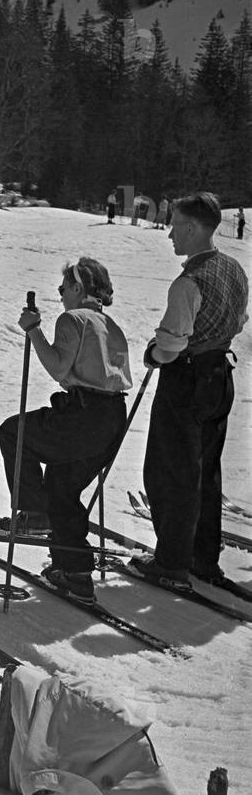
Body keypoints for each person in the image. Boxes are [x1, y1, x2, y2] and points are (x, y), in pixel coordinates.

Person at [0, 259, 132, 604]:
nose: (60, 296)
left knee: (14, 432)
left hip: (82, 414)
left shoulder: (73, 318)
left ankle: (33, 511)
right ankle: (76, 572)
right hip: (112, 416)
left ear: (77, 288)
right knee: (62, 486)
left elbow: (58, 367)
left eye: (62, 289)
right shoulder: (110, 323)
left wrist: (33, 330)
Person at [131, 192, 249, 587]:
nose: (170, 235)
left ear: (194, 228)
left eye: (176, 226)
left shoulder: (188, 282)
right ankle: (202, 556)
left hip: (187, 378)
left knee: (172, 471)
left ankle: (171, 561)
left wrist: (154, 353)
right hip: (220, 375)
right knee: (206, 471)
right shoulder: (234, 269)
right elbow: (240, 319)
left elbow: (170, 346)